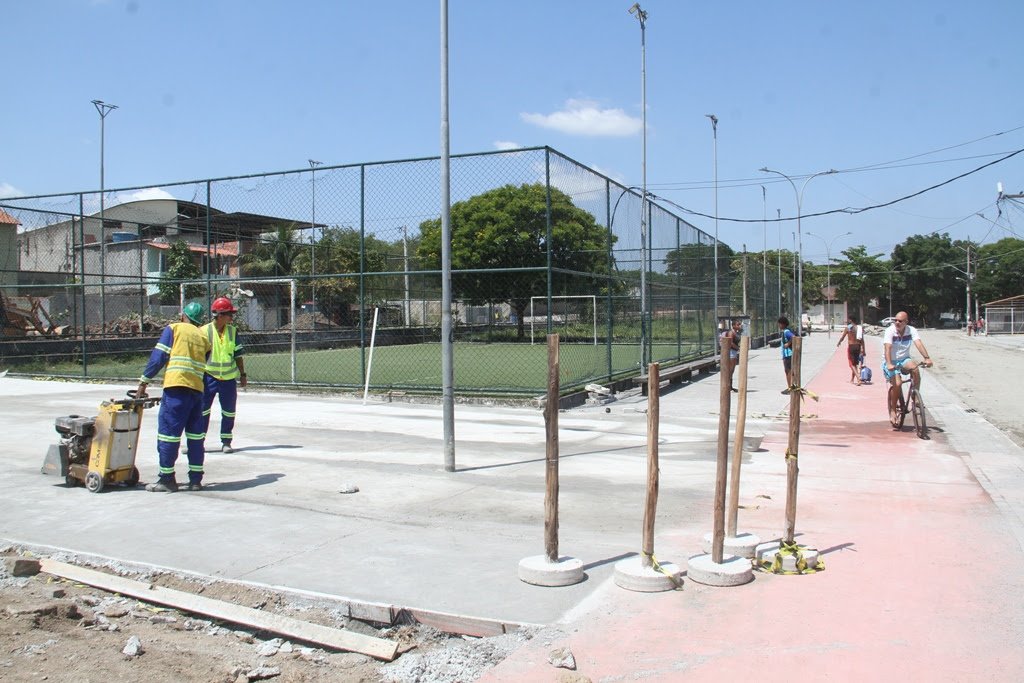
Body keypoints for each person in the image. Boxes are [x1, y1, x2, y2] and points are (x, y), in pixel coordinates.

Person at [137, 302, 212, 492]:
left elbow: (158, 358)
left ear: (182, 316)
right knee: (195, 438)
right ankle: (195, 480)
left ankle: (167, 479)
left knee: (168, 435)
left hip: (176, 389)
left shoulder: (173, 329)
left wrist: (144, 381)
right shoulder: (204, 338)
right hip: (197, 393)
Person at [201, 297, 247, 454]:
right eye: (229, 314)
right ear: (220, 315)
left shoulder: (232, 332)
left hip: (228, 379)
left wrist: (242, 374)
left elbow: (238, 355)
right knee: (202, 410)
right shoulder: (204, 331)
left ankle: (226, 441)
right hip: (209, 377)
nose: (231, 318)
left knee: (228, 412)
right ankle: (197, 441)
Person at [882, 311, 934, 424]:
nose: (897, 322)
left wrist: (927, 358)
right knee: (898, 383)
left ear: (906, 322)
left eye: (900, 321)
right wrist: (889, 363)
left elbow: (918, 343)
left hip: (904, 359)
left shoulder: (911, 330)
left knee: (915, 368)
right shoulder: (890, 331)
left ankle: (915, 397)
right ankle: (893, 410)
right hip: (891, 361)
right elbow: (887, 348)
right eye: (895, 320)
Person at [836, 315, 866, 385]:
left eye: (848, 320)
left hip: (851, 346)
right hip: (858, 346)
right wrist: (864, 350)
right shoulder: (859, 328)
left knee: (852, 364)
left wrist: (839, 342)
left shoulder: (848, 328)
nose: (848, 321)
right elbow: (862, 340)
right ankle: (853, 379)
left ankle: (858, 377)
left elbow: (843, 337)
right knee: (855, 364)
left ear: (851, 320)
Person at [721, 319, 742, 392]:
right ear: (733, 326)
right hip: (731, 352)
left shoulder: (736, 332)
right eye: (738, 324)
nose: (739, 325)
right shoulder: (731, 333)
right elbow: (730, 343)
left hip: (734, 352)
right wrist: (739, 348)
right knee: (730, 370)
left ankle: (730, 386)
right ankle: (728, 387)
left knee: (732, 370)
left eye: (740, 324)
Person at [778, 316, 795, 394]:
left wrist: (788, 343)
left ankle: (790, 388)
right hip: (786, 354)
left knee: (788, 371)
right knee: (787, 371)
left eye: (780, 324)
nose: (779, 325)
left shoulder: (786, 332)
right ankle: (790, 387)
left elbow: (793, 337)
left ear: (783, 324)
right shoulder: (785, 331)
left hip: (788, 354)